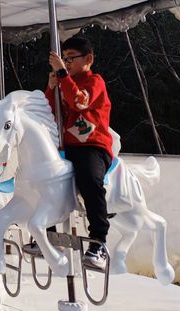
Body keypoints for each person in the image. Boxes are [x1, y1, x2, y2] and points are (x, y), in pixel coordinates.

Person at [43, 35, 113, 270]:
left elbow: (80, 102)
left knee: (89, 177)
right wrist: (51, 88)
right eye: (65, 59)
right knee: (45, 176)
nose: (67, 63)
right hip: (69, 147)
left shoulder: (95, 82)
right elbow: (50, 113)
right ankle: (46, 232)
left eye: (71, 58)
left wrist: (62, 75)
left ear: (89, 59)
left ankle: (99, 242)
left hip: (92, 146)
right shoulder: (64, 84)